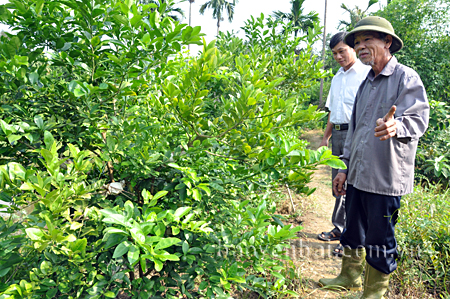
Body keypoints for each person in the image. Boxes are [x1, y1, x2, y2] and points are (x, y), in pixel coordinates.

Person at [318, 16, 429, 299]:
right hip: (357, 174)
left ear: (387, 42)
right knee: (352, 230)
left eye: (368, 39)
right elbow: (355, 131)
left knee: (380, 239)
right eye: (357, 42)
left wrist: (397, 125)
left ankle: (373, 293)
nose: (362, 46)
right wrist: (343, 168)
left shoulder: (406, 77)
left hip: (385, 177)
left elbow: (419, 119)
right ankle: (349, 277)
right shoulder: (366, 82)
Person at [317, 32, 371, 258]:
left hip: (356, 133)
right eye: (334, 53)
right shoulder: (337, 77)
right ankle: (339, 228)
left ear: (353, 49)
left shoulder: (366, 74)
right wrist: (325, 137)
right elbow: (333, 111)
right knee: (338, 185)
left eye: (342, 51)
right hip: (338, 134)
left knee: (352, 187)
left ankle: (351, 238)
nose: (338, 56)